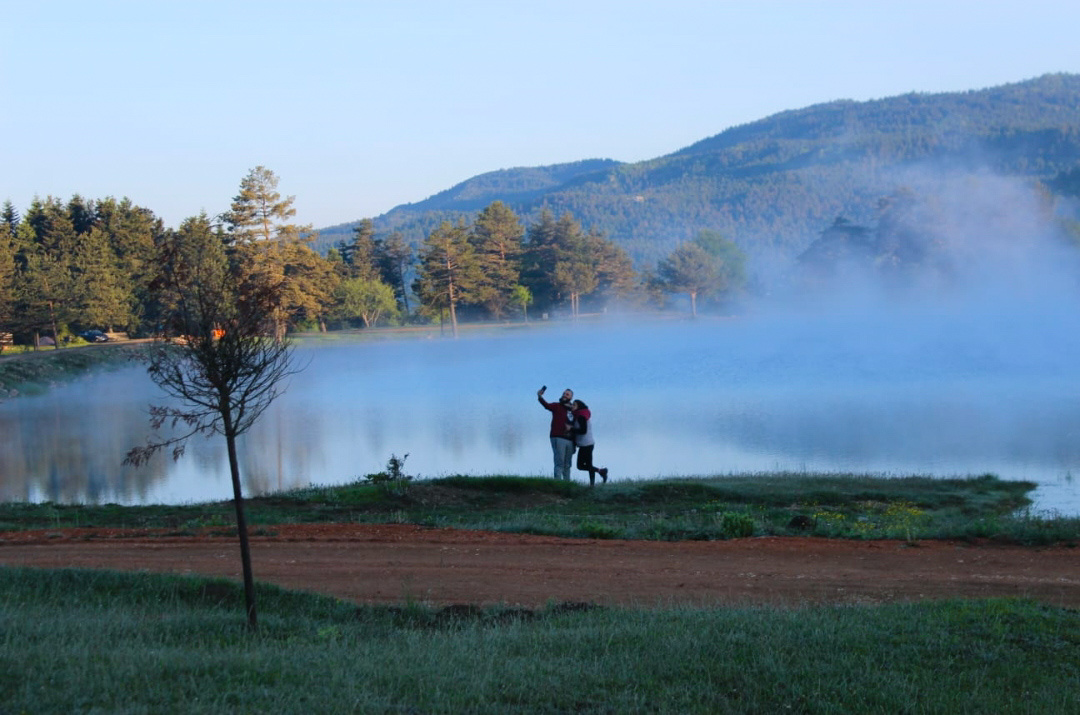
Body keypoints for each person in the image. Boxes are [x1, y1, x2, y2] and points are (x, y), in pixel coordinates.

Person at [537, 386, 575, 480]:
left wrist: (576, 442)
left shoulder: (573, 409)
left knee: (568, 463)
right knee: (559, 462)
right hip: (558, 437)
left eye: (567, 394)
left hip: (570, 439)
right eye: (564, 394)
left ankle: (567, 484)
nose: (564, 395)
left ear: (571, 397)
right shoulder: (557, 406)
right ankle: (557, 483)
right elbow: (546, 405)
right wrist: (540, 396)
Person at [571, 399, 608, 486]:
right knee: (588, 465)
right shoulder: (579, 415)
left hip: (586, 444)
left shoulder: (581, 416)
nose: (572, 406)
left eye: (574, 405)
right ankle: (595, 480)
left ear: (579, 407)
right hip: (587, 444)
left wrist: (571, 429)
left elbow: (583, 430)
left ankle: (601, 473)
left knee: (581, 466)